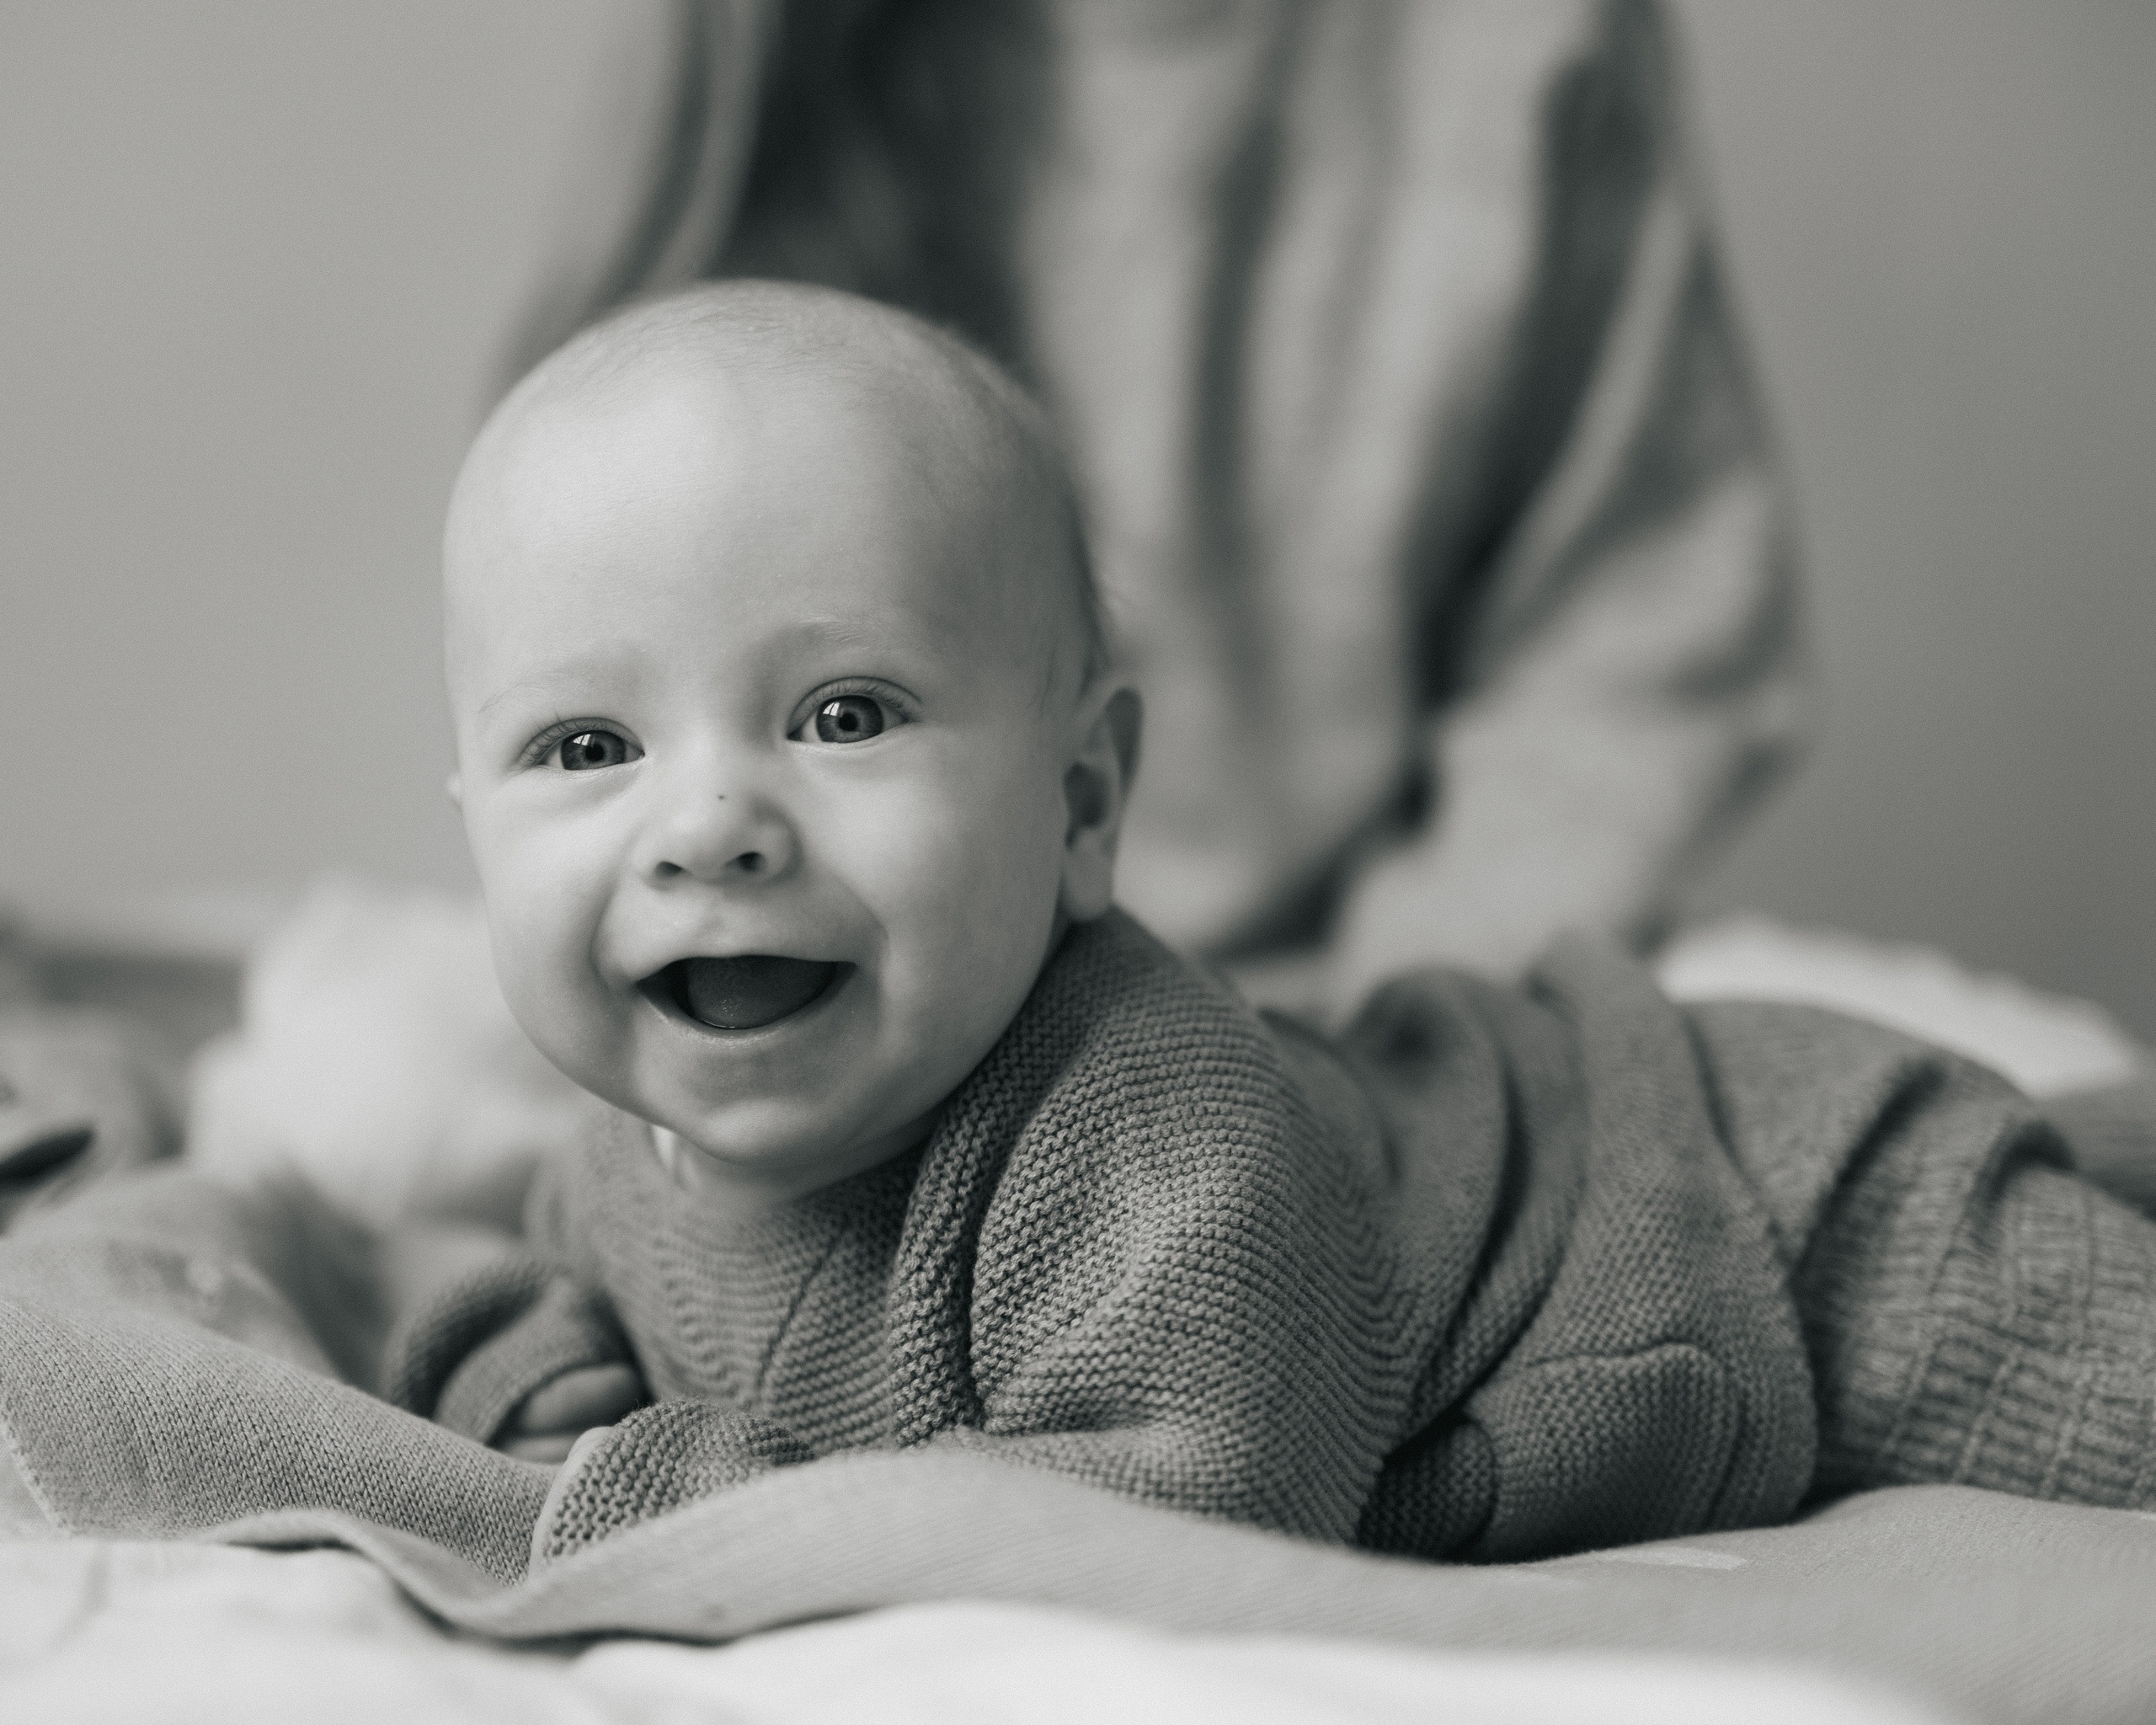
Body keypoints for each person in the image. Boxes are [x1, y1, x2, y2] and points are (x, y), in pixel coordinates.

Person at [378, 281, 2153, 1567]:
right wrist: (525, 1387)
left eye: (844, 715)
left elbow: (1190, 1519)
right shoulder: (628, 1136)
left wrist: (656, 1496)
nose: (705, 826)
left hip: (1771, 1220)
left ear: (1080, 809)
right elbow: (550, 1293)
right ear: (473, 825)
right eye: (584, 746)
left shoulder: (1144, 1135)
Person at [509, 0, 1807, 1017]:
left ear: (1092, 792)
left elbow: (1639, 641)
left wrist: (1406, 1032)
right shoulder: (764, 54)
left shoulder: (1522, 47)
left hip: (1373, 1000)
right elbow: (601, 586)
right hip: (834, 1001)